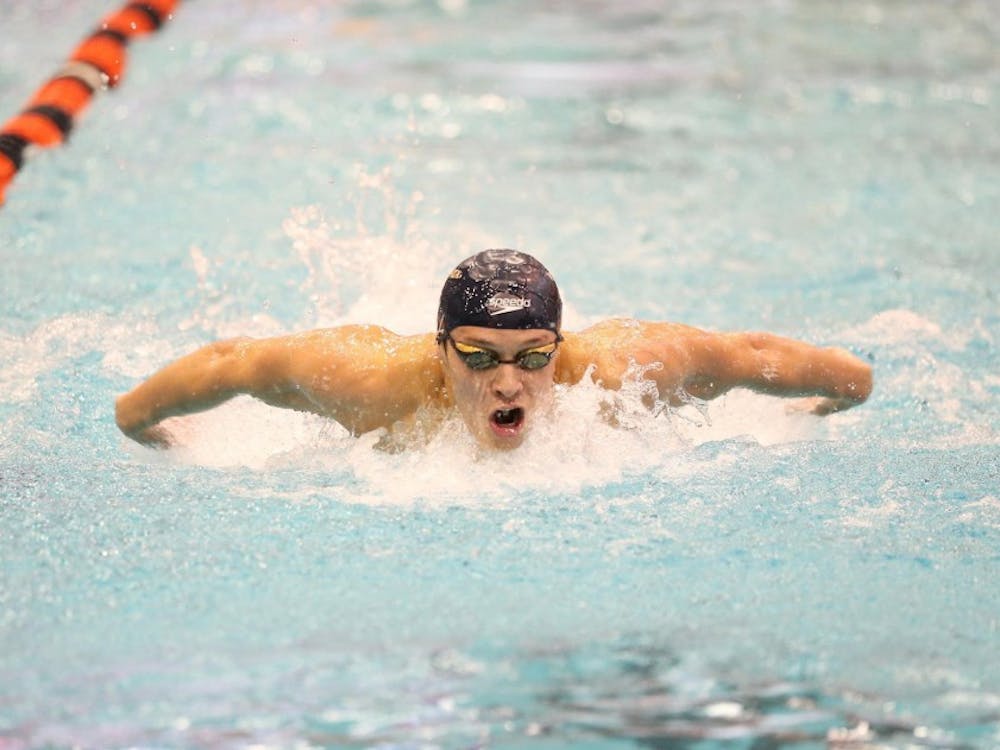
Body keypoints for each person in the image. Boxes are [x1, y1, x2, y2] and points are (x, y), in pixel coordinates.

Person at [115, 249, 873, 451]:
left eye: (533, 357)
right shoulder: (372, 380)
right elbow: (235, 363)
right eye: (479, 357)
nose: (508, 382)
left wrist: (846, 388)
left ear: (560, 346)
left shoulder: (619, 372)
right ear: (441, 349)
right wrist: (136, 418)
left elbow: (743, 353)